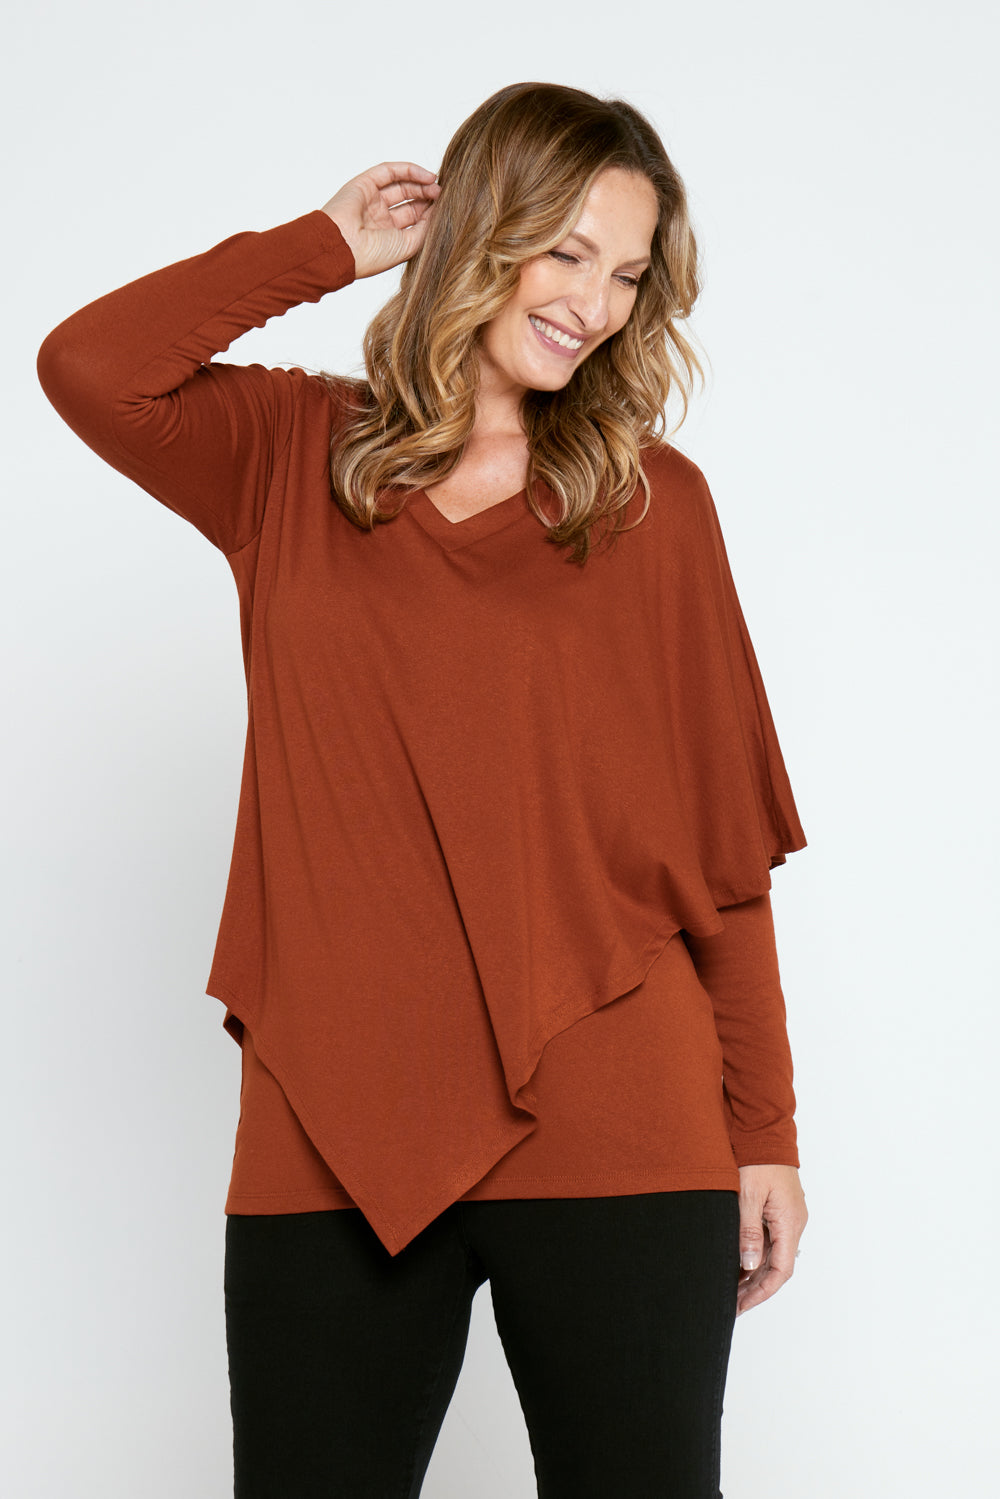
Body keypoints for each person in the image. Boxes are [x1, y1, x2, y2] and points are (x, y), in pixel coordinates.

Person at [38, 81, 808, 1499]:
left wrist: (764, 1133)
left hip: (622, 1119)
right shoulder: (290, 455)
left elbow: (720, 855)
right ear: (480, 227)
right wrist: (325, 246)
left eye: (628, 275)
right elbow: (91, 366)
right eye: (566, 250)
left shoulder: (654, 506)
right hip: (331, 1118)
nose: (595, 304)